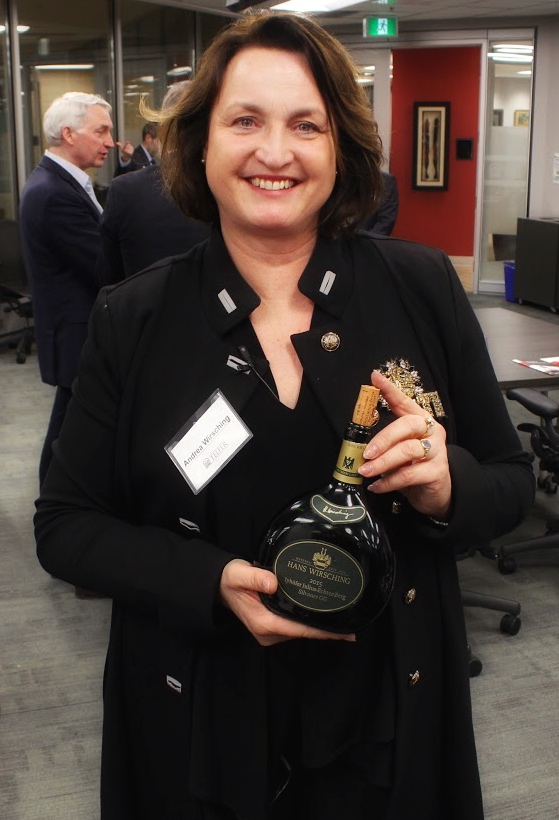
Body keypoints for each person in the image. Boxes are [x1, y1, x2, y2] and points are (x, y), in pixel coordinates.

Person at [35, 12, 535, 820]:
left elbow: (511, 484)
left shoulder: (417, 287)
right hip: (201, 711)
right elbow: (64, 526)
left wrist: (447, 488)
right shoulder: (135, 316)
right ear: (200, 144)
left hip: (386, 717)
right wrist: (207, 581)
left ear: (340, 149)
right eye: (245, 121)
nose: (275, 152)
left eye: (307, 124)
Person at [19, 91, 114, 487]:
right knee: (67, 434)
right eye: (101, 131)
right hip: (76, 333)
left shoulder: (62, 183)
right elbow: (101, 265)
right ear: (69, 133)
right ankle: (54, 514)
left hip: (75, 331)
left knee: (70, 427)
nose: (110, 141)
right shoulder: (55, 193)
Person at [96, 83, 210, 284]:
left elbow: (108, 276)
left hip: (142, 313)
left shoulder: (125, 191)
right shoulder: (232, 189)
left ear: (163, 128)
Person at [361, 170, 399, 235]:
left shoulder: (386, 181)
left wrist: (365, 242)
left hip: (368, 241)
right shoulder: (340, 178)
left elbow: (385, 223)